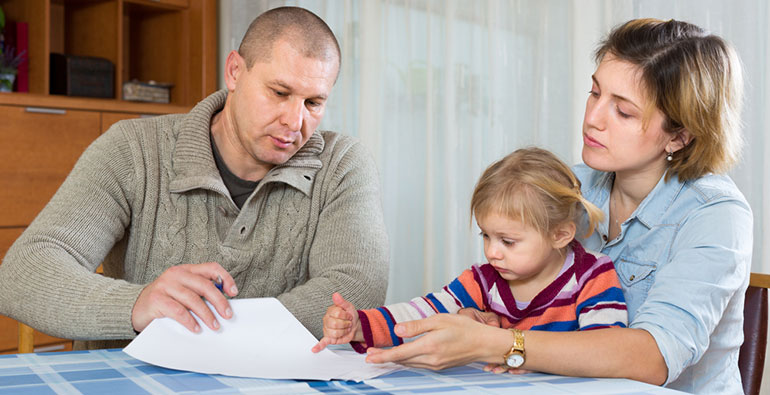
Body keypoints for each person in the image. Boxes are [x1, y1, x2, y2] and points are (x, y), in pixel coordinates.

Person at [363, 18, 752, 395]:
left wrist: (497, 342)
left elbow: (654, 358)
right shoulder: (570, 185)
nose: (593, 119)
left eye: (624, 111)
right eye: (595, 92)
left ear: (679, 137)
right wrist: (486, 317)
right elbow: (514, 288)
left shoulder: (716, 215)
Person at [0, 7, 389, 349]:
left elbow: (355, 289)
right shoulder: (133, 148)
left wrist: (202, 326)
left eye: (313, 103)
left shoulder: (341, 164)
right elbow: (22, 273)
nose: (295, 121)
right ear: (235, 71)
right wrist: (139, 305)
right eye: (279, 92)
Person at [313, 147, 629, 372]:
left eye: (508, 241)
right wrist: (360, 326)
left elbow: (601, 350)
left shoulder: (593, 276)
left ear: (560, 235)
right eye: (486, 236)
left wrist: (526, 357)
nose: (492, 252)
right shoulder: (484, 278)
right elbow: (424, 312)